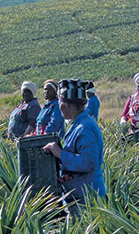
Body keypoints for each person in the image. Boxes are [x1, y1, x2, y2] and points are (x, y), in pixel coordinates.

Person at [43, 79, 106, 213]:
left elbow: (89, 163)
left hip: (86, 200)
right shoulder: (80, 124)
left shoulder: (85, 128)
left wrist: (60, 154)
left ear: (66, 106)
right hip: (80, 196)